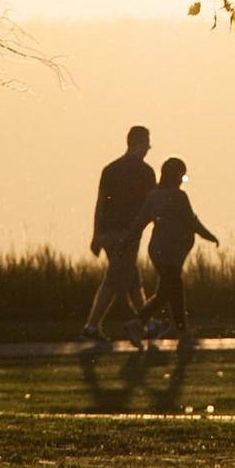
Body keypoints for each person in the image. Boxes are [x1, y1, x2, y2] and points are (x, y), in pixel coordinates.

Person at [131, 156, 219, 344]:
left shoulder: (154, 195)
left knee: (168, 291)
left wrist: (127, 240)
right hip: (171, 251)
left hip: (158, 250)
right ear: (176, 175)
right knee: (171, 291)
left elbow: (139, 222)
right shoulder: (179, 196)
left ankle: (177, 330)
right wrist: (210, 236)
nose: (182, 178)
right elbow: (192, 221)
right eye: (182, 174)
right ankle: (142, 323)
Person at [83, 124, 156, 343]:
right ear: (140, 143)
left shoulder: (110, 170)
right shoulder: (146, 172)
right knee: (113, 281)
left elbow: (100, 205)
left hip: (108, 233)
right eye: (147, 144)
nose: (148, 149)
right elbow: (150, 205)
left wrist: (96, 235)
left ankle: (148, 323)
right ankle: (91, 326)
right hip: (128, 234)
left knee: (132, 279)